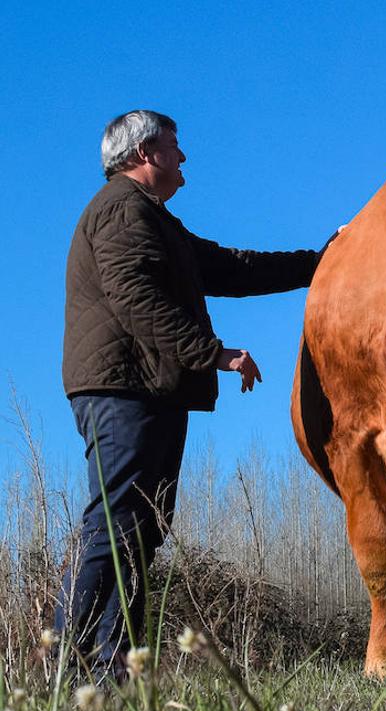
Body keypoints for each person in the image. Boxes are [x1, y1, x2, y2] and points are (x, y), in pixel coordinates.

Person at [58, 109, 324, 680]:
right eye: (175, 146)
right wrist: (214, 353)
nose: (184, 158)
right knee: (115, 525)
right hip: (123, 388)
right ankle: (59, 669)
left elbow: (229, 267)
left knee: (141, 531)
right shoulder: (122, 212)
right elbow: (134, 298)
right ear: (145, 153)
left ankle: (109, 674)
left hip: (148, 388)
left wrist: (321, 262)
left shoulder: (156, 221)